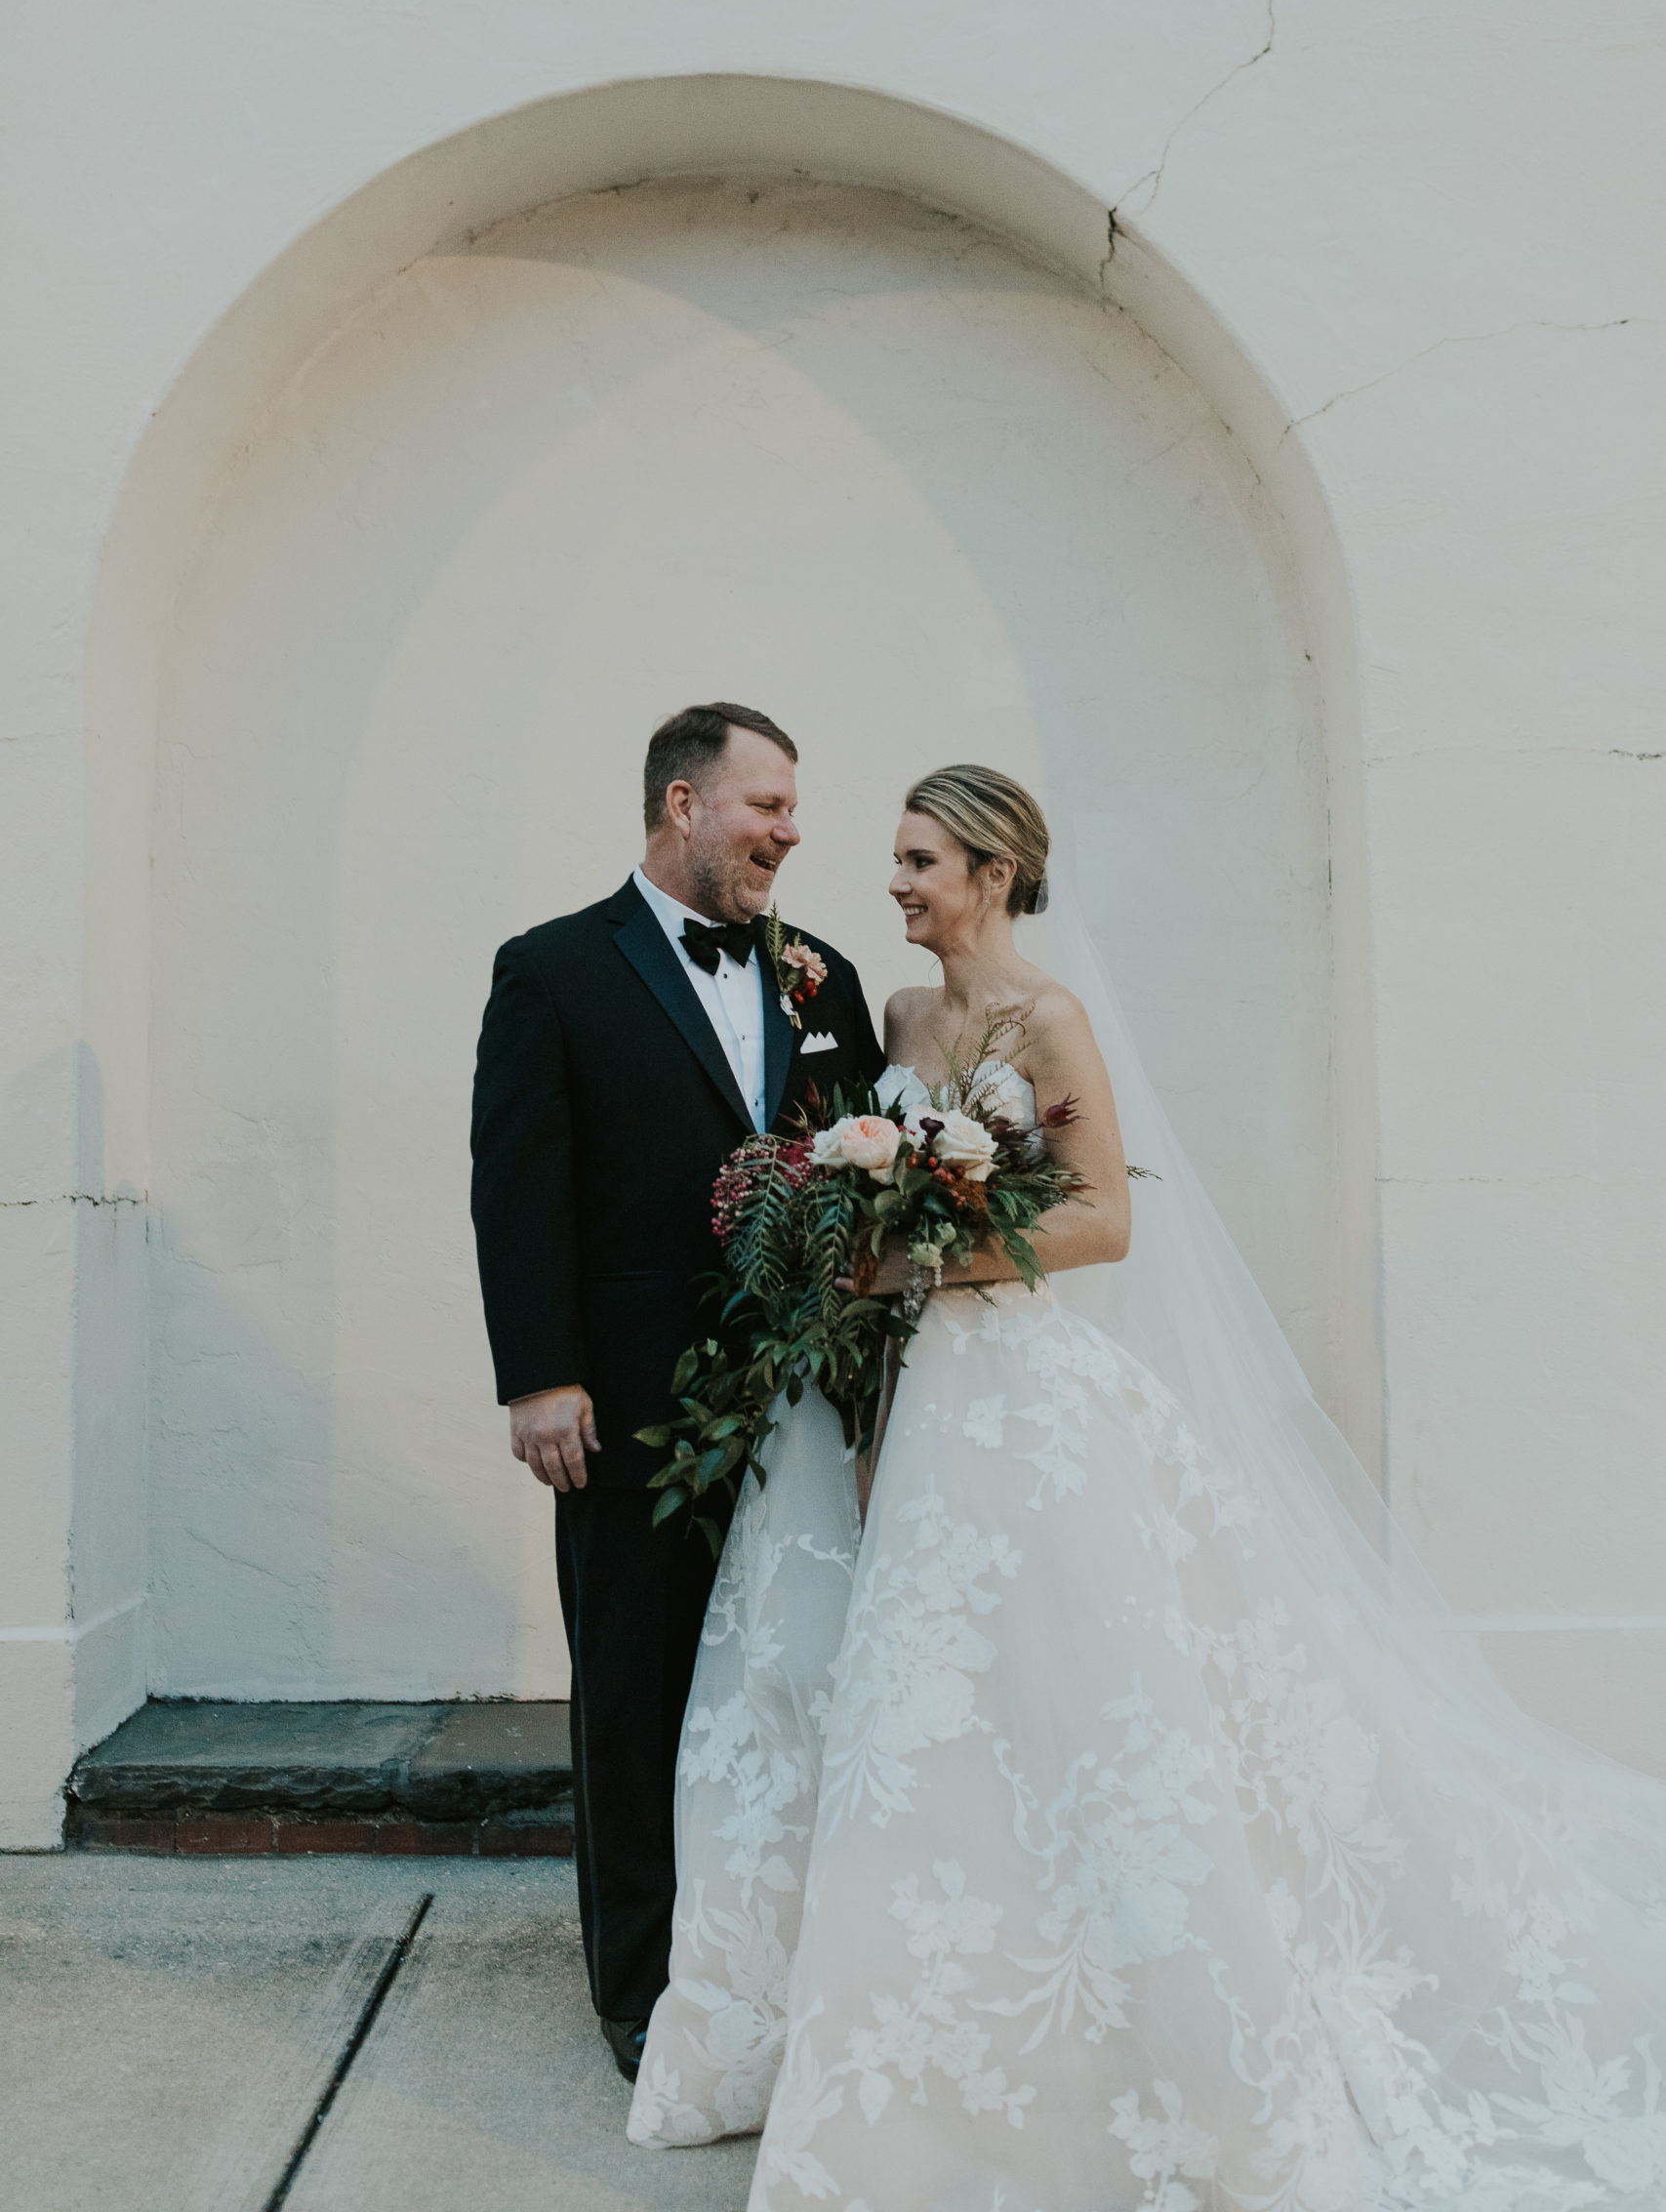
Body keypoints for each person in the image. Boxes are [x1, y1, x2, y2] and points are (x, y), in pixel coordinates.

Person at [630, 762, 1666, 2212]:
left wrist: (915, 1257)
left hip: (1015, 1394)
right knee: (922, 1708)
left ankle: (1122, 2025)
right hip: (910, 1393)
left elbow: (1104, 1218)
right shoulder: (906, 1016)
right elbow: (878, 1173)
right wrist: (855, 1246)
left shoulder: (1047, 1018)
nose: (897, 881)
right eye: (896, 859)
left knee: (1062, 1703)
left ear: (991, 872)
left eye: (921, 858)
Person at [469, 702, 882, 2085]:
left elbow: (865, 1168)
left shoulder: (823, 977)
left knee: (787, 1682)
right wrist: (540, 1375)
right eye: (766, 805)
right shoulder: (552, 972)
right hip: (631, 1406)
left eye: (792, 807)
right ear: (682, 807)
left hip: (801, 1408)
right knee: (634, 1692)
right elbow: (518, 1188)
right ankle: (640, 1987)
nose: (790, 830)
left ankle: (779, 1954)